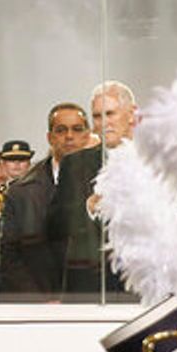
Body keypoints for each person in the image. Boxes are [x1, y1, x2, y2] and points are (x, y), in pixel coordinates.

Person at [53, 81, 136, 297]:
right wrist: (87, 207)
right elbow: (55, 225)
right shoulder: (74, 165)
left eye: (110, 114)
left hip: (143, 286)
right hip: (90, 287)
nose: (104, 123)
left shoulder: (155, 162)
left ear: (131, 114)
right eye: (97, 116)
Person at [0, 104, 88, 298]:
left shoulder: (107, 184)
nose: (69, 136)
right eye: (61, 130)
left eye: (77, 129)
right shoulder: (20, 192)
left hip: (93, 301)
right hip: (38, 304)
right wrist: (40, 301)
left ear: (87, 135)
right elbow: (10, 257)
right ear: (50, 138)